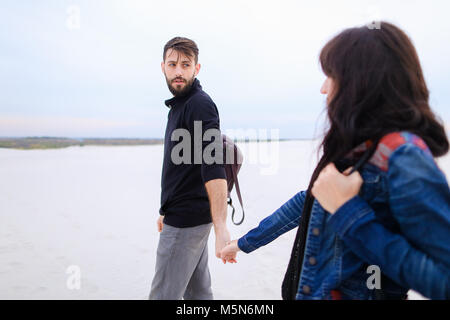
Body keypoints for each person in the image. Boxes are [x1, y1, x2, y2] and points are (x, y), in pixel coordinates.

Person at [220, 22, 450, 300]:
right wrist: (243, 244)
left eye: (331, 75)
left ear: (361, 81)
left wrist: (349, 213)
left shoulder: (402, 156)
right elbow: (307, 203)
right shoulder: (359, 151)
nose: (323, 88)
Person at [149, 37, 234, 300]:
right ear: (162, 67)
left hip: (186, 222)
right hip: (188, 216)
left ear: (196, 69)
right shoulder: (179, 106)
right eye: (173, 64)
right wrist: (166, 209)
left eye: (185, 65)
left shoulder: (198, 104)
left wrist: (221, 228)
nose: (178, 71)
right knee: (198, 295)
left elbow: (213, 165)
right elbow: (182, 169)